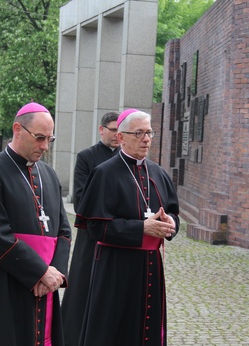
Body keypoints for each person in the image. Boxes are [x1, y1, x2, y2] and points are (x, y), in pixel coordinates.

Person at [0, 102, 71, 346]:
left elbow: (63, 230)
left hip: (45, 283)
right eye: (39, 138)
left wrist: (55, 274)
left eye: (50, 139)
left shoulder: (48, 174)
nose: (45, 146)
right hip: (1, 283)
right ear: (17, 129)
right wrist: (39, 271)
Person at [75, 109, 180, 346]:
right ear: (121, 137)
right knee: (115, 330)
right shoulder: (104, 173)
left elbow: (173, 212)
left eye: (149, 133)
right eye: (139, 133)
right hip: (115, 267)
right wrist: (140, 228)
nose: (146, 139)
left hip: (151, 265)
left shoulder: (159, 173)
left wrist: (172, 223)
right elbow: (95, 228)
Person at [61, 111, 120, 346]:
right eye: (113, 129)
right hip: (91, 235)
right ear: (101, 129)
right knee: (84, 289)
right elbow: (81, 199)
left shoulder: (127, 159)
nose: (117, 135)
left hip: (118, 237)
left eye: (120, 130)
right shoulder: (87, 157)